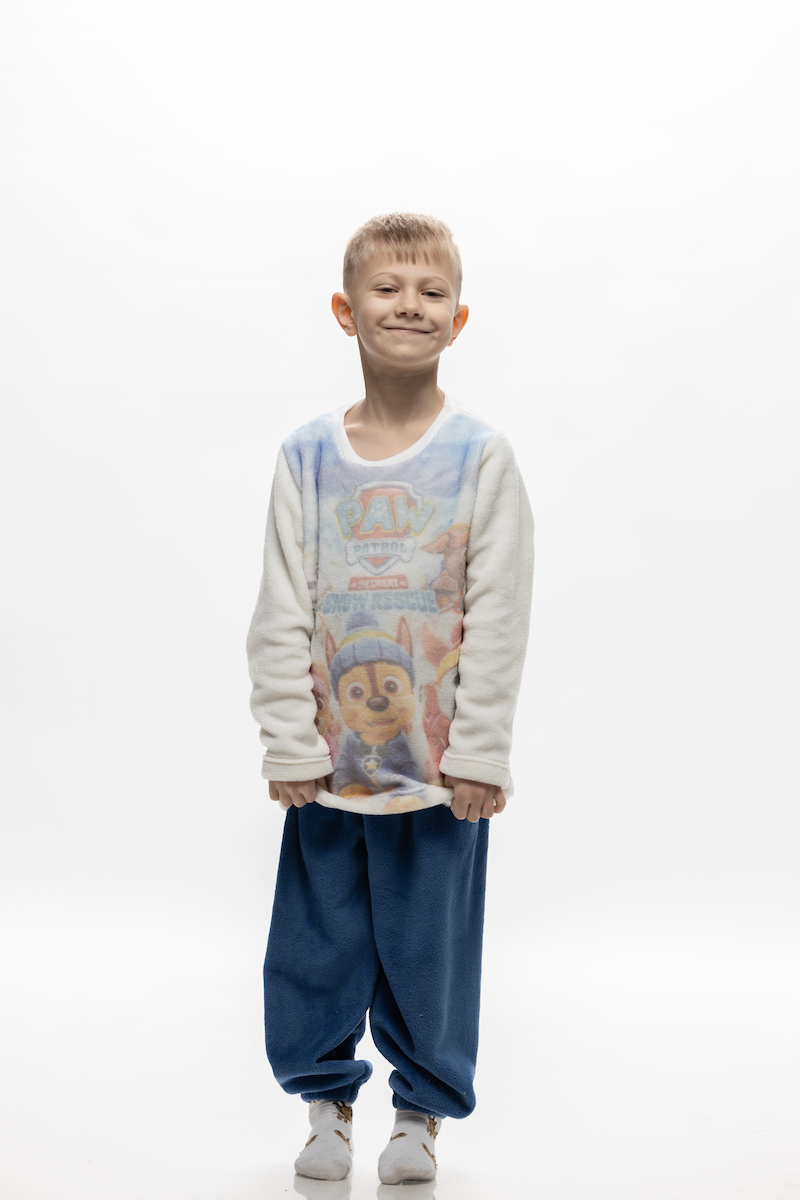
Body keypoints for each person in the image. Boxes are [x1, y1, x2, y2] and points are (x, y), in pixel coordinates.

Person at [246, 212, 534, 1185]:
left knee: (428, 952)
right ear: (345, 310)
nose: (409, 305)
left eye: (431, 292)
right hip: (329, 772)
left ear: (458, 319)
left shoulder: (480, 457)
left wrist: (481, 751)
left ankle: (419, 1115)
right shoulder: (307, 456)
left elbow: (499, 612)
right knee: (315, 945)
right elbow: (280, 605)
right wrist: (288, 739)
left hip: (438, 774)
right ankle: (324, 1105)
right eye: (386, 288)